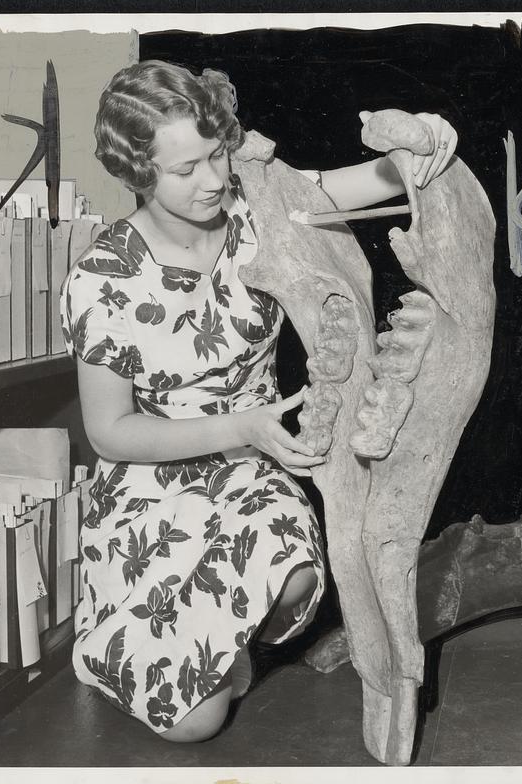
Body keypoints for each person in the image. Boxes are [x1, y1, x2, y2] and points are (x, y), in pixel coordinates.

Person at [60, 60, 457, 743]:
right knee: (197, 726)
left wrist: (420, 146)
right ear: (137, 171)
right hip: (150, 489)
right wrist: (239, 422)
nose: (213, 179)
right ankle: (106, 649)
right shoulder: (103, 277)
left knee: (297, 575)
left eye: (217, 153)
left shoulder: (251, 204)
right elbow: (109, 433)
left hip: (252, 468)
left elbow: (350, 187)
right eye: (187, 169)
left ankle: (212, 641)